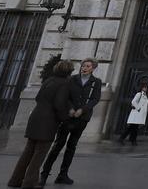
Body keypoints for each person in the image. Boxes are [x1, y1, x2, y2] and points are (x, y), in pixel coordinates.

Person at [9, 59, 74, 189]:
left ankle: (15, 180)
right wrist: (65, 119)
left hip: (36, 116)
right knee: (40, 153)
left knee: (28, 151)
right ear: (69, 71)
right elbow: (59, 104)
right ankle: (30, 183)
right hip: (48, 121)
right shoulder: (65, 84)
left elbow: (38, 97)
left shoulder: (49, 80)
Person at [41, 58, 104, 185]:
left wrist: (83, 109)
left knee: (71, 147)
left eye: (87, 66)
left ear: (93, 68)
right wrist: (70, 108)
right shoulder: (72, 79)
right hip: (68, 118)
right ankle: (44, 174)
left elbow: (95, 99)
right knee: (58, 145)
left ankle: (63, 175)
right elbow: (65, 96)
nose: (84, 68)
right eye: (83, 66)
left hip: (82, 119)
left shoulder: (96, 82)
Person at [119, 80, 148, 145]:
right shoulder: (139, 94)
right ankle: (124, 138)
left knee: (134, 128)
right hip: (136, 114)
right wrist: (139, 108)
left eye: (146, 87)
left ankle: (132, 140)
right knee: (131, 127)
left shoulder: (145, 95)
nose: (146, 88)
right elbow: (133, 102)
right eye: (144, 87)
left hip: (140, 114)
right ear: (141, 88)